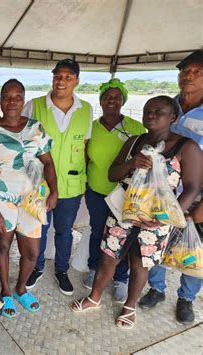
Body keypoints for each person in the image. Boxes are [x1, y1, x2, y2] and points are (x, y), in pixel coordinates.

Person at [70, 96, 202, 330]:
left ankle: (129, 307)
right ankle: (95, 297)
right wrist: (132, 163)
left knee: (140, 262)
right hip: (125, 211)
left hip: (158, 219)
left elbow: (192, 188)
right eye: (147, 111)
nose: (151, 115)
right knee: (108, 256)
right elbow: (113, 174)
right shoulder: (134, 142)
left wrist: (169, 219)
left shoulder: (186, 147)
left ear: (172, 117)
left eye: (158, 112)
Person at [0, 79, 58, 317]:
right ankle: (7, 292)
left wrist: (54, 190)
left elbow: (48, 161)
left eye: (17, 96)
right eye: (7, 97)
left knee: (31, 251)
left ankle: (22, 288)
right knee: (2, 245)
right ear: (0, 100)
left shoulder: (36, 127)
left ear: (24, 99)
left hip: (32, 199)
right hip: (1, 198)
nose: (12, 102)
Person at [138, 50, 203, 324]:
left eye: (196, 72)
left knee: (194, 250)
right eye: (184, 71)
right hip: (160, 194)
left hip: (197, 196)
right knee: (155, 241)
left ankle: (187, 298)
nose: (188, 76)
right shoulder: (168, 107)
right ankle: (156, 288)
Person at [23, 59, 93, 295]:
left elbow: (84, 147)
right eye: (57, 76)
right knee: (39, 229)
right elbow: (21, 143)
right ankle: (37, 267)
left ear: (77, 81)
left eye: (67, 77)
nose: (61, 81)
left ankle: (61, 270)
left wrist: (84, 181)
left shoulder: (86, 110)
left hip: (71, 185)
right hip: (40, 185)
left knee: (65, 231)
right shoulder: (34, 106)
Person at [83, 78, 146, 302]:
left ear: (123, 100)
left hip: (125, 194)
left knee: (123, 237)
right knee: (98, 230)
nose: (112, 100)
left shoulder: (135, 127)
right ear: (100, 101)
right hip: (97, 190)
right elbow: (83, 155)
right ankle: (94, 269)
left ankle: (120, 278)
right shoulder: (91, 126)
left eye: (117, 97)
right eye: (107, 97)